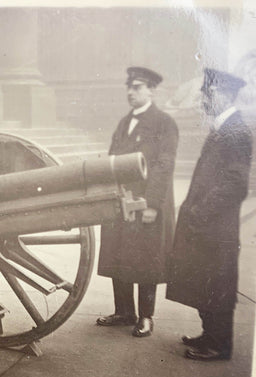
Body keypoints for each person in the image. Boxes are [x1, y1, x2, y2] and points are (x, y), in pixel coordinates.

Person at [167, 68, 253, 361]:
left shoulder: (236, 130)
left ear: (226, 94)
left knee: (217, 284)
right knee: (207, 281)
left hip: (217, 226)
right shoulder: (223, 127)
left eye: (209, 92)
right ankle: (210, 335)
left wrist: (202, 212)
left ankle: (218, 344)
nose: (204, 97)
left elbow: (236, 183)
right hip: (209, 224)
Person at [96, 66, 179, 337]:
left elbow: (164, 166)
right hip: (121, 202)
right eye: (129, 87)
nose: (131, 92)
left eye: (138, 87)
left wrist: (153, 204)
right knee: (119, 252)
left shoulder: (164, 123)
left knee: (145, 259)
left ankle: (145, 316)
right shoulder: (124, 122)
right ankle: (124, 311)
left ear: (151, 90)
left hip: (146, 202)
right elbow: (112, 160)